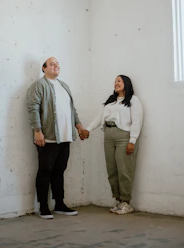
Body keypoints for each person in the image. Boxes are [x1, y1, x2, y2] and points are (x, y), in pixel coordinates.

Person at [27, 56, 84, 219]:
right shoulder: (39, 85)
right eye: (52, 64)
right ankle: (43, 207)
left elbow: (72, 110)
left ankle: (59, 204)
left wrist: (79, 126)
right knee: (45, 171)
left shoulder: (64, 86)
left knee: (59, 171)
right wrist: (37, 131)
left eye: (58, 64)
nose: (56, 66)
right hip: (48, 137)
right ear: (43, 68)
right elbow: (33, 108)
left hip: (65, 137)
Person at [80, 75, 143, 215]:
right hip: (108, 135)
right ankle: (118, 201)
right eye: (115, 81)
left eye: (119, 81)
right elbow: (99, 118)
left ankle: (126, 202)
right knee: (112, 170)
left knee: (124, 169)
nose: (116, 83)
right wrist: (87, 129)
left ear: (126, 83)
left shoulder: (133, 100)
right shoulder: (110, 101)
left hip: (124, 136)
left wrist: (132, 141)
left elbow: (137, 121)